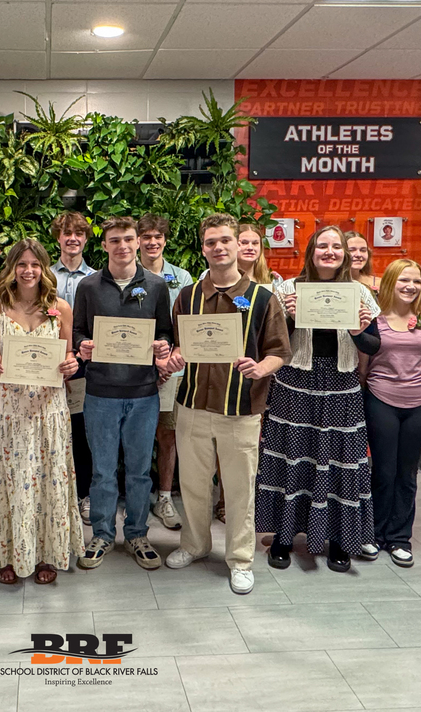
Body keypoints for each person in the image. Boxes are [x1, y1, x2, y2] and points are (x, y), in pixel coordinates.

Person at [163, 215, 291, 594]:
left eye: (224, 241)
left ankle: (239, 559)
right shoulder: (187, 297)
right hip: (192, 404)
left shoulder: (263, 298)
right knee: (193, 484)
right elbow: (178, 346)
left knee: (239, 489)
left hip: (242, 408)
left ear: (239, 246)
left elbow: (279, 351)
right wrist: (172, 358)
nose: (218, 248)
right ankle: (195, 545)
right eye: (210, 242)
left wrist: (260, 368)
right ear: (203, 248)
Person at [256, 225, 380, 573]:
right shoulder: (287, 290)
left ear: (345, 253)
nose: (330, 252)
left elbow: (374, 345)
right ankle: (282, 538)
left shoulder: (360, 293)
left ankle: (340, 540)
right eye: (322, 246)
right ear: (311, 251)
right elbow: (273, 344)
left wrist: (358, 332)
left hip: (341, 385)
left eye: (336, 247)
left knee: (340, 462)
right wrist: (292, 319)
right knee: (292, 459)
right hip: (294, 382)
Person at [0, 238, 83, 584]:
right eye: (21, 264)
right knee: (12, 480)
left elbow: (69, 358)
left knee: (48, 479)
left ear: (44, 269)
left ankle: (48, 553)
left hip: (49, 409)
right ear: (10, 268)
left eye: (35, 265)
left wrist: (71, 365)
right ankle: (10, 553)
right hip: (9, 409)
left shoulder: (60, 308)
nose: (28, 271)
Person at [73, 216, 173, 571]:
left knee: (139, 471)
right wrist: (83, 346)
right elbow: (78, 333)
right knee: (102, 471)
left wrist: (163, 347)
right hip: (100, 393)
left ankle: (136, 533)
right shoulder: (88, 286)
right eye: (114, 240)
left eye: (128, 239)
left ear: (138, 242)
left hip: (144, 393)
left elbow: (166, 333)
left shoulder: (158, 286)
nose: (122, 246)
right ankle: (101, 533)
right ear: (104, 245)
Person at [359, 259, 421, 568]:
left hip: (420, 404)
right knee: (383, 470)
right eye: (404, 280)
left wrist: (419, 387)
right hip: (381, 400)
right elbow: (364, 366)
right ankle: (372, 533)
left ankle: (399, 538)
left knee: (407, 473)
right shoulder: (374, 319)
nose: (411, 286)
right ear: (390, 283)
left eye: (416, 281)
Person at [213, 222, 283, 523]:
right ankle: (225, 500)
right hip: (220, 381)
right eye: (244, 241)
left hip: (259, 381)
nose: (249, 247)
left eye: (256, 242)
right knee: (225, 447)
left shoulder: (273, 285)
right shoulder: (208, 285)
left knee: (252, 448)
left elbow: (279, 343)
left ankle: (253, 503)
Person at [137, 213, 192, 531]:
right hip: (134, 370)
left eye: (158, 236)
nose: (152, 242)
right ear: (139, 241)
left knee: (168, 435)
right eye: (146, 236)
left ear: (165, 241)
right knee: (135, 435)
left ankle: (165, 497)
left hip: (171, 369)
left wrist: (170, 360)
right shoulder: (126, 275)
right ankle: (136, 498)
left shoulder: (181, 277)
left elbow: (185, 325)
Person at [50, 211, 96, 526]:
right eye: (67, 233)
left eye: (78, 233)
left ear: (85, 239)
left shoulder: (95, 279)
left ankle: (84, 495)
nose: (72, 238)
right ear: (58, 238)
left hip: (82, 364)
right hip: (44, 364)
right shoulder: (43, 276)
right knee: (51, 431)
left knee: (81, 431)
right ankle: (54, 494)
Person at [345, 231, 380, 295]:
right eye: (351, 250)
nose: (358, 255)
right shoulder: (331, 283)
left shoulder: (379, 283)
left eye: (363, 250)